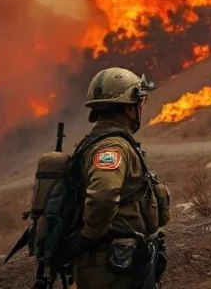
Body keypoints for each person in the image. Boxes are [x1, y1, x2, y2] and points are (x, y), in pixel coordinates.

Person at [65, 67, 168, 289]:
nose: (141, 108)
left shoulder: (104, 142)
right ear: (130, 108)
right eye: (138, 103)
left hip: (119, 262)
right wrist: (89, 235)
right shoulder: (112, 147)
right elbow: (104, 193)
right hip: (112, 266)